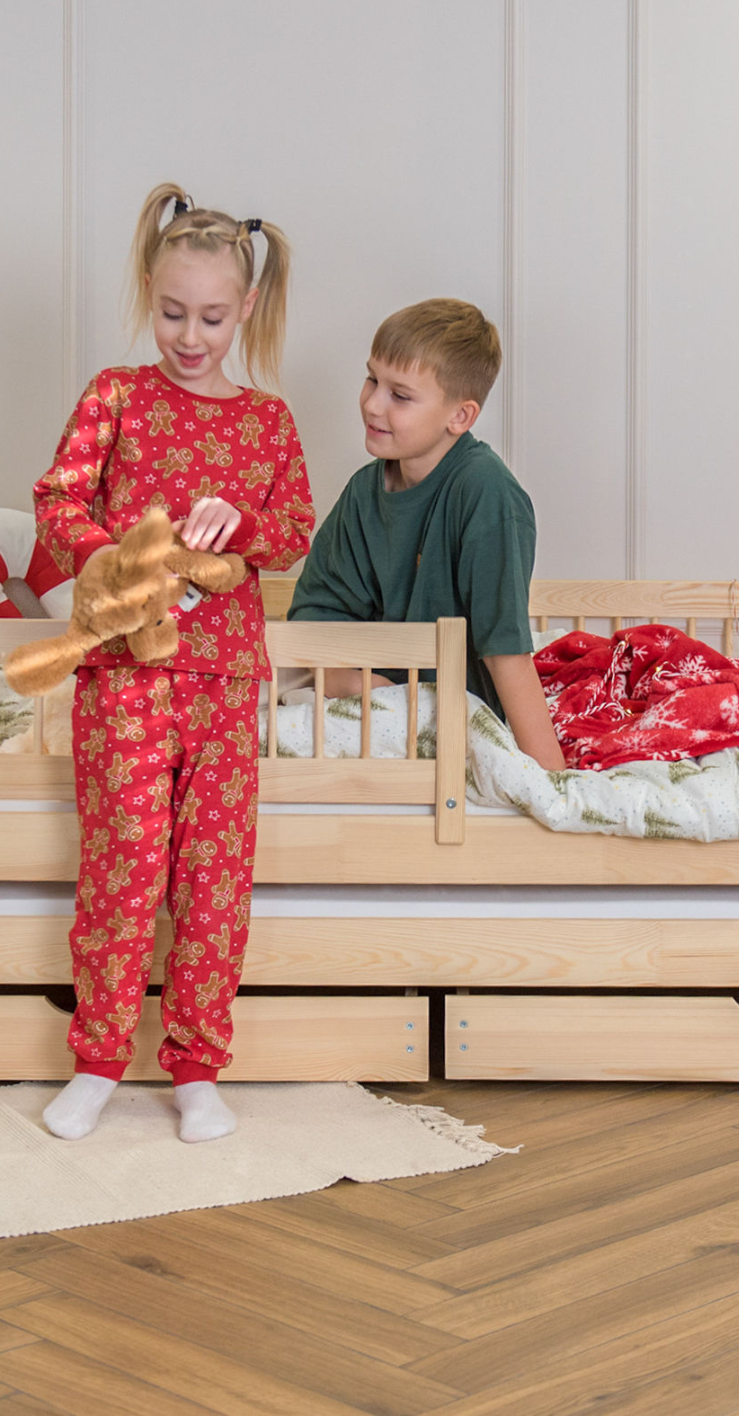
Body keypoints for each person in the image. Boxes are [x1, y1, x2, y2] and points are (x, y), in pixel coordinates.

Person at [33, 182, 313, 1142]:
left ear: (247, 309)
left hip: (225, 686)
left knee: (212, 883)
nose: (190, 337)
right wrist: (118, 556)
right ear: (148, 297)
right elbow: (58, 501)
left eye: (212, 317)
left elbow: (294, 529)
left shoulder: (267, 422)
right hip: (125, 680)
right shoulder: (115, 396)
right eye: (171, 313)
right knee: (121, 873)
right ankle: (98, 1062)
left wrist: (242, 524)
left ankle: (197, 1070)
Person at [288, 299, 566, 771]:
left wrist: (552, 781)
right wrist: (349, 681)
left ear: (460, 416)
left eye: (400, 395)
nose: (372, 404)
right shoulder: (363, 491)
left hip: (454, 709)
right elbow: (314, 619)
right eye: (372, 379)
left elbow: (506, 652)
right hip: (364, 691)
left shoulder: (487, 493)